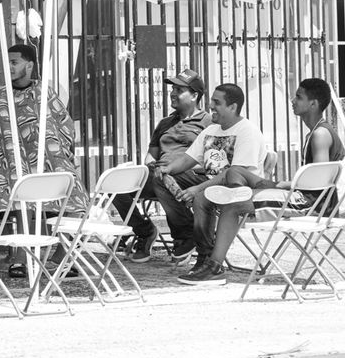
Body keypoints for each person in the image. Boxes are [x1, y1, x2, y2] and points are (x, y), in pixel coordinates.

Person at [0, 44, 89, 278]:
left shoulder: (45, 93)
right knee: (20, 188)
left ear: (29, 65)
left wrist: (61, 154)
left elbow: (65, 126)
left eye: (14, 62)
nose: (9, 67)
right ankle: (22, 253)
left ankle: (62, 253)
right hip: (12, 165)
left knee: (76, 194)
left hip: (48, 161)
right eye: (7, 62)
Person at [155, 83, 267, 285]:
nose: (210, 105)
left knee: (202, 196)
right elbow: (189, 159)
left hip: (239, 190)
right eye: (212, 101)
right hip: (211, 183)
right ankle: (190, 237)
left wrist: (197, 188)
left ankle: (207, 260)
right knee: (159, 179)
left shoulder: (247, 131)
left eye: (217, 102)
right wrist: (168, 169)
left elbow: (233, 174)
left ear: (232, 107)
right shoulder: (212, 129)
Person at [205, 78, 344, 218]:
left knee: (236, 202)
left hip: (311, 205)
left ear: (313, 104)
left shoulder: (321, 134)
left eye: (299, 97)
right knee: (235, 171)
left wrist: (285, 184)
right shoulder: (317, 132)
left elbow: (319, 182)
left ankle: (232, 199)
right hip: (304, 197)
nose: (293, 100)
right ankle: (236, 193)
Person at [113, 68, 211, 263]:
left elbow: (210, 159)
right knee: (116, 187)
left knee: (162, 179)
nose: (172, 93)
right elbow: (151, 155)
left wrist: (170, 169)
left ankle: (185, 234)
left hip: (190, 175)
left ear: (194, 95)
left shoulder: (208, 122)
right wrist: (150, 166)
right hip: (159, 174)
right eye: (172, 89)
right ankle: (145, 231)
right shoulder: (165, 123)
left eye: (179, 90)